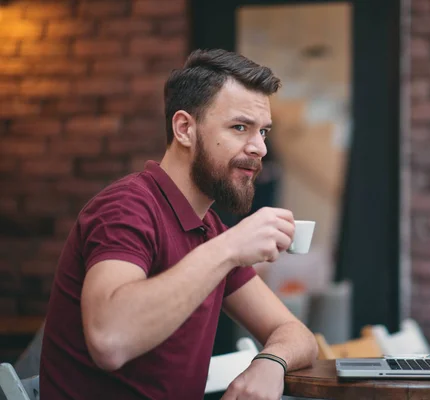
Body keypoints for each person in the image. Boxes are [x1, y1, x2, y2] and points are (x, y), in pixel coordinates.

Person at [39, 48, 318, 400]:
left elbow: (295, 333)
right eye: (240, 127)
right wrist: (231, 248)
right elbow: (110, 340)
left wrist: (271, 362)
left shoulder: (209, 228)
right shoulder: (126, 207)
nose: (260, 148)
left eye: (263, 131)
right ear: (185, 128)